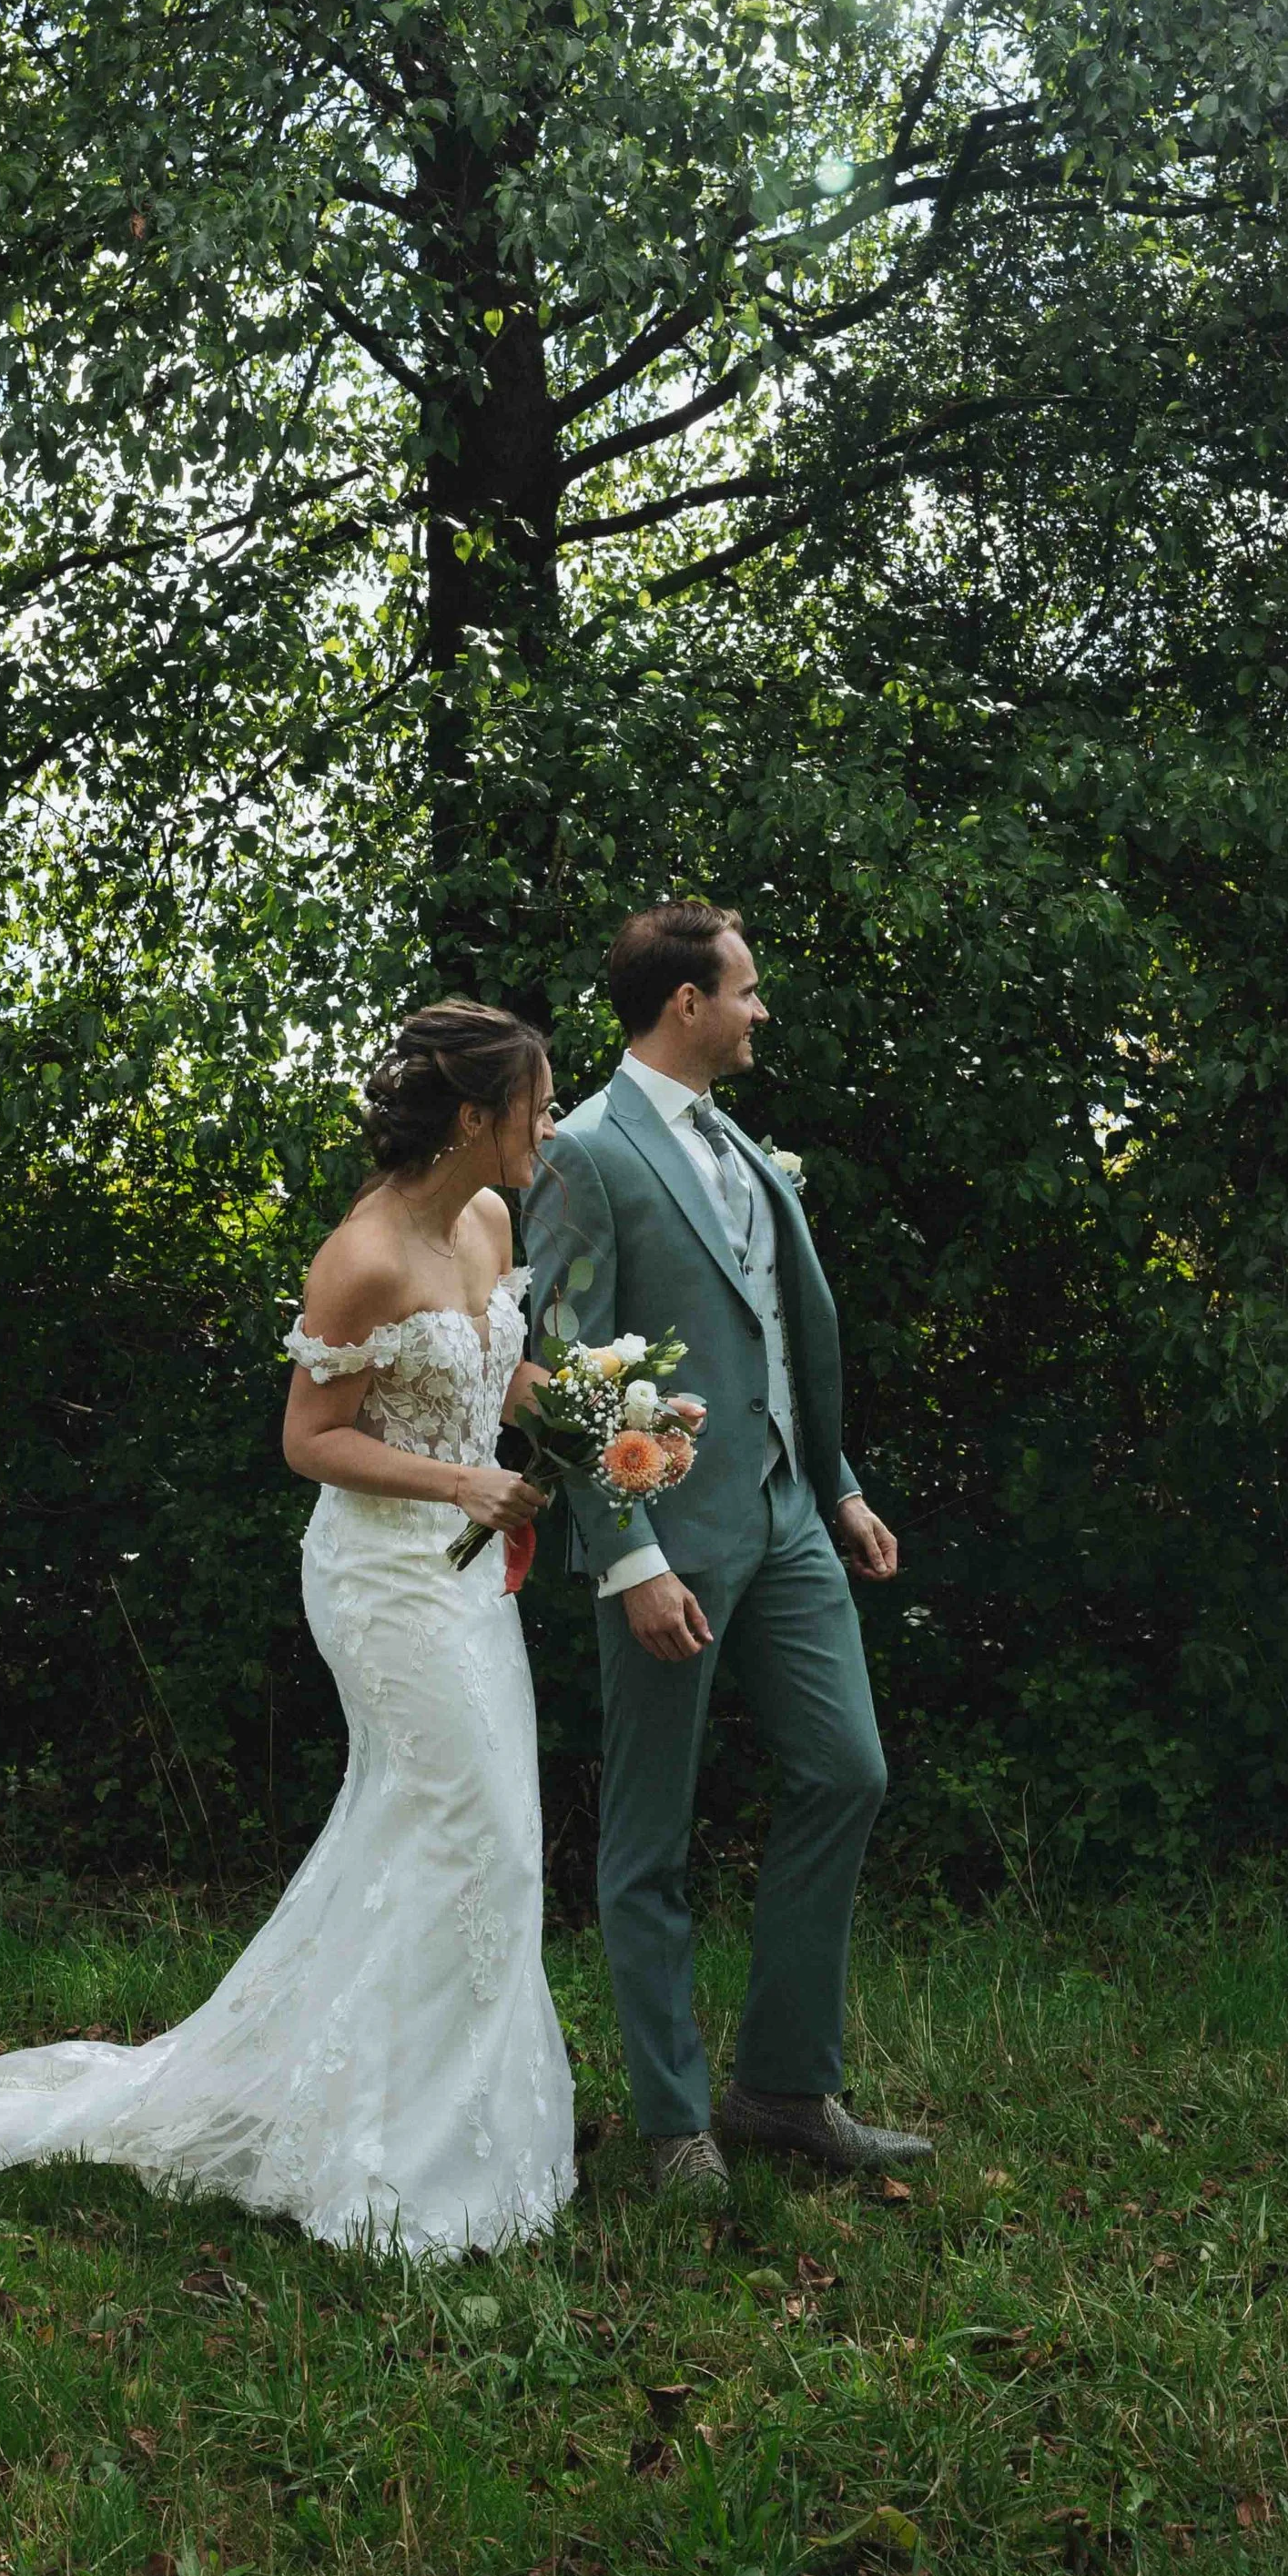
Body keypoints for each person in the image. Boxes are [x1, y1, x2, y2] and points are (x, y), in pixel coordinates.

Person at [0, 1002, 574, 2259]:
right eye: (536, 1105)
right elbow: (310, 1438)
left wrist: (616, 1405)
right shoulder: (366, 1255)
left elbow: (493, 1376)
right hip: (384, 1581)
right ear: (470, 1116)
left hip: (466, 1582)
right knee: (482, 1842)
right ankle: (403, 2163)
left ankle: (426, 2121)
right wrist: (463, 1483)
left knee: (459, 1840)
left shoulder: (492, 1222)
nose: (548, 1125)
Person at [523, 901, 932, 2200]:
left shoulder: (745, 1149)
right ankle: (671, 2119)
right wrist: (627, 1552)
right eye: (747, 991)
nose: (762, 1011)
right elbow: (566, 1367)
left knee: (848, 1770)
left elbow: (775, 1334)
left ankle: (785, 2087)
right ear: (685, 1002)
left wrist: (840, 1485)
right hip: (670, 1540)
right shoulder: (586, 1152)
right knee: (649, 1834)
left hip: (790, 1519)